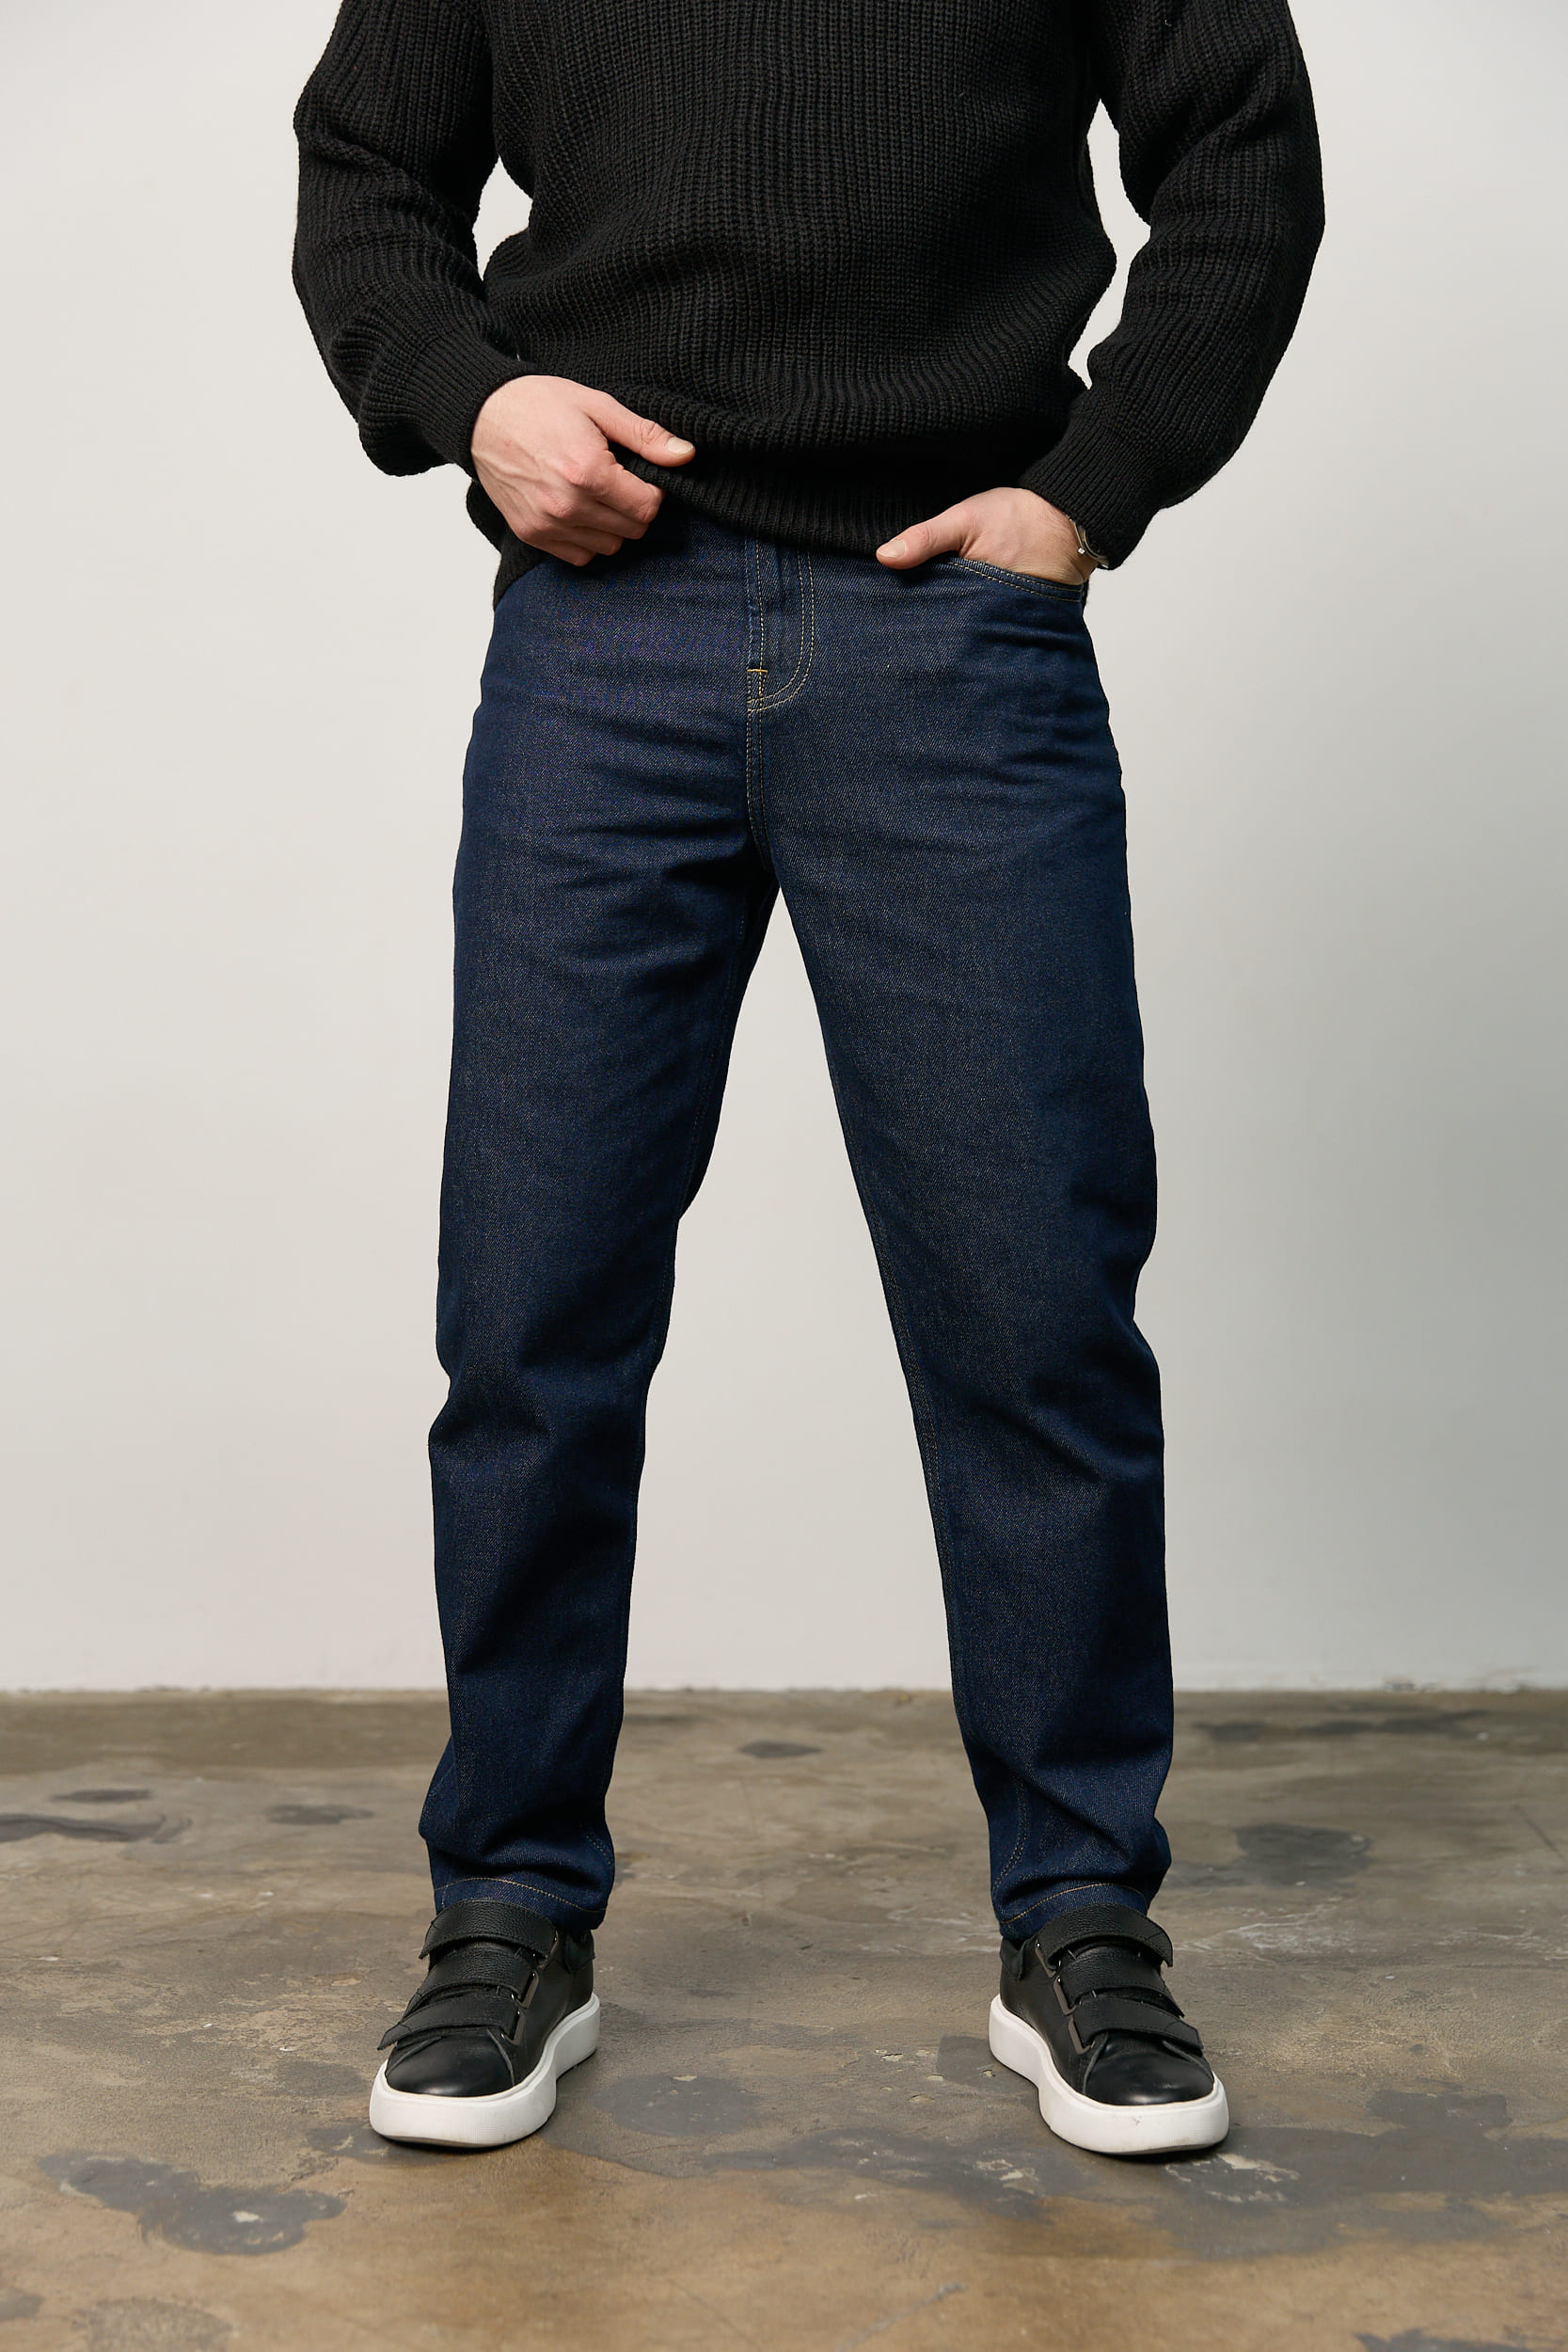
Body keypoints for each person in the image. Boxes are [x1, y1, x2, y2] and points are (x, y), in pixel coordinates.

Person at [293, 0, 1323, 2157]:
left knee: (1034, 1308)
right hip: (606, 631)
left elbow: (1241, 147)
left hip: (954, 629)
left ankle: (1080, 1915)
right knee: (533, 1311)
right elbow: (366, 169)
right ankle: (509, 1907)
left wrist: (1095, 486)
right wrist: (472, 399)